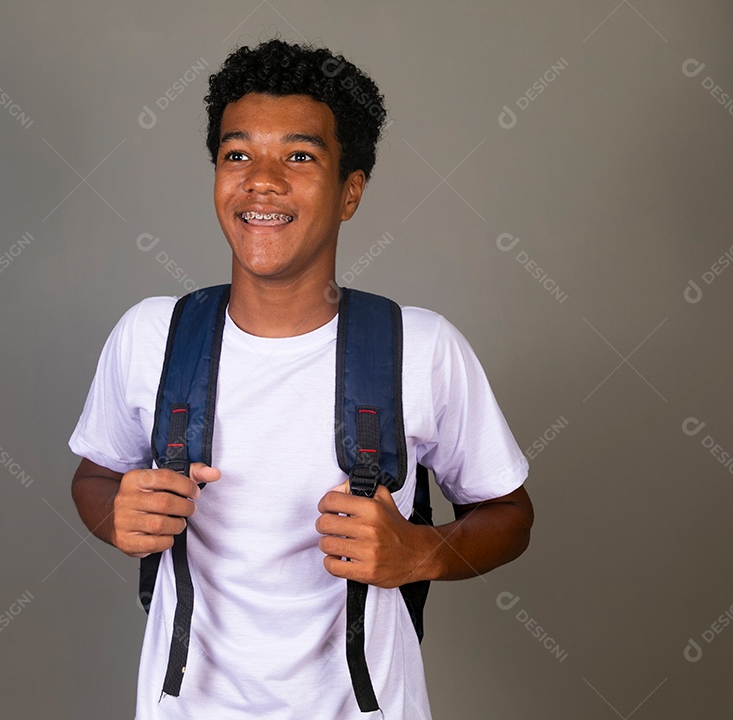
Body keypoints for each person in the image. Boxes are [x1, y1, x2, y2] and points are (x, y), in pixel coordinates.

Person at [68, 38, 534, 719]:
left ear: (350, 192)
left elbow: (511, 517)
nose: (262, 179)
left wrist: (419, 552)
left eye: (299, 156)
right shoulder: (152, 338)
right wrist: (116, 515)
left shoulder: (421, 349)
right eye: (237, 154)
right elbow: (92, 478)